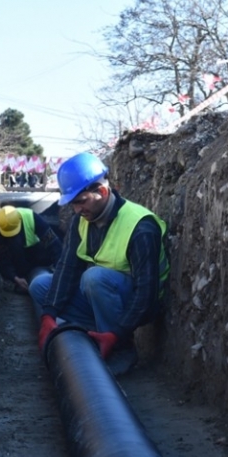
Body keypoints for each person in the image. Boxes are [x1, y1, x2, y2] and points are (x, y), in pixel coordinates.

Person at [29, 152, 169, 371]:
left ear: (102, 192)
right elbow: (67, 268)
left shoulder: (140, 227)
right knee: (40, 286)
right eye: (73, 204)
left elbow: (146, 294)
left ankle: (120, 348)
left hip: (139, 303)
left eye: (81, 202)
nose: (76, 210)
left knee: (94, 277)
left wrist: (117, 333)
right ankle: (96, 334)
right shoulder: (82, 221)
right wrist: (49, 314)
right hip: (104, 295)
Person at [0, 205, 63, 294]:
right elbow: (3, 258)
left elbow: (53, 244)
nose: (12, 235)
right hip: (18, 261)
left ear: (20, 220)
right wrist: (15, 278)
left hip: (39, 256)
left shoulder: (32, 218)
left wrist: (59, 272)